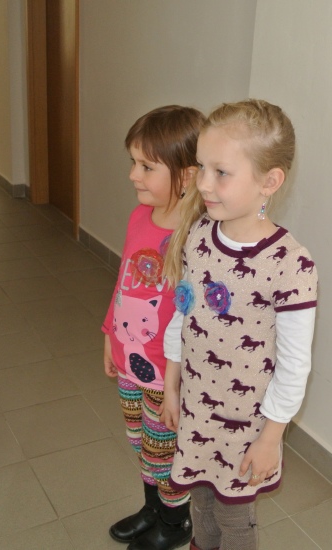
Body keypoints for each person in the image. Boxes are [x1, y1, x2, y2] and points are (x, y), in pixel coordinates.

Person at [161, 99, 318, 550]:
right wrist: (171, 386)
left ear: (269, 182)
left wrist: (271, 439)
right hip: (196, 407)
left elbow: (294, 366)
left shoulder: (291, 265)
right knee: (200, 504)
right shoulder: (198, 235)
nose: (203, 184)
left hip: (246, 426)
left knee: (233, 517)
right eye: (201, 167)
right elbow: (183, 314)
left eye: (221, 173)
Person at [102, 105, 205, 550]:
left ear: (186, 176)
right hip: (130, 361)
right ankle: (152, 509)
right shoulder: (138, 217)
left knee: (165, 450)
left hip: (167, 375)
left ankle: (175, 522)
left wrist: (177, 383)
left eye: (146, 166)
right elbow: (123, 281)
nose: (133, 175)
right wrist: (109, 335)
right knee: (142, 442)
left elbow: (196, 319)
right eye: (133, 163)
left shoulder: (197, 237)